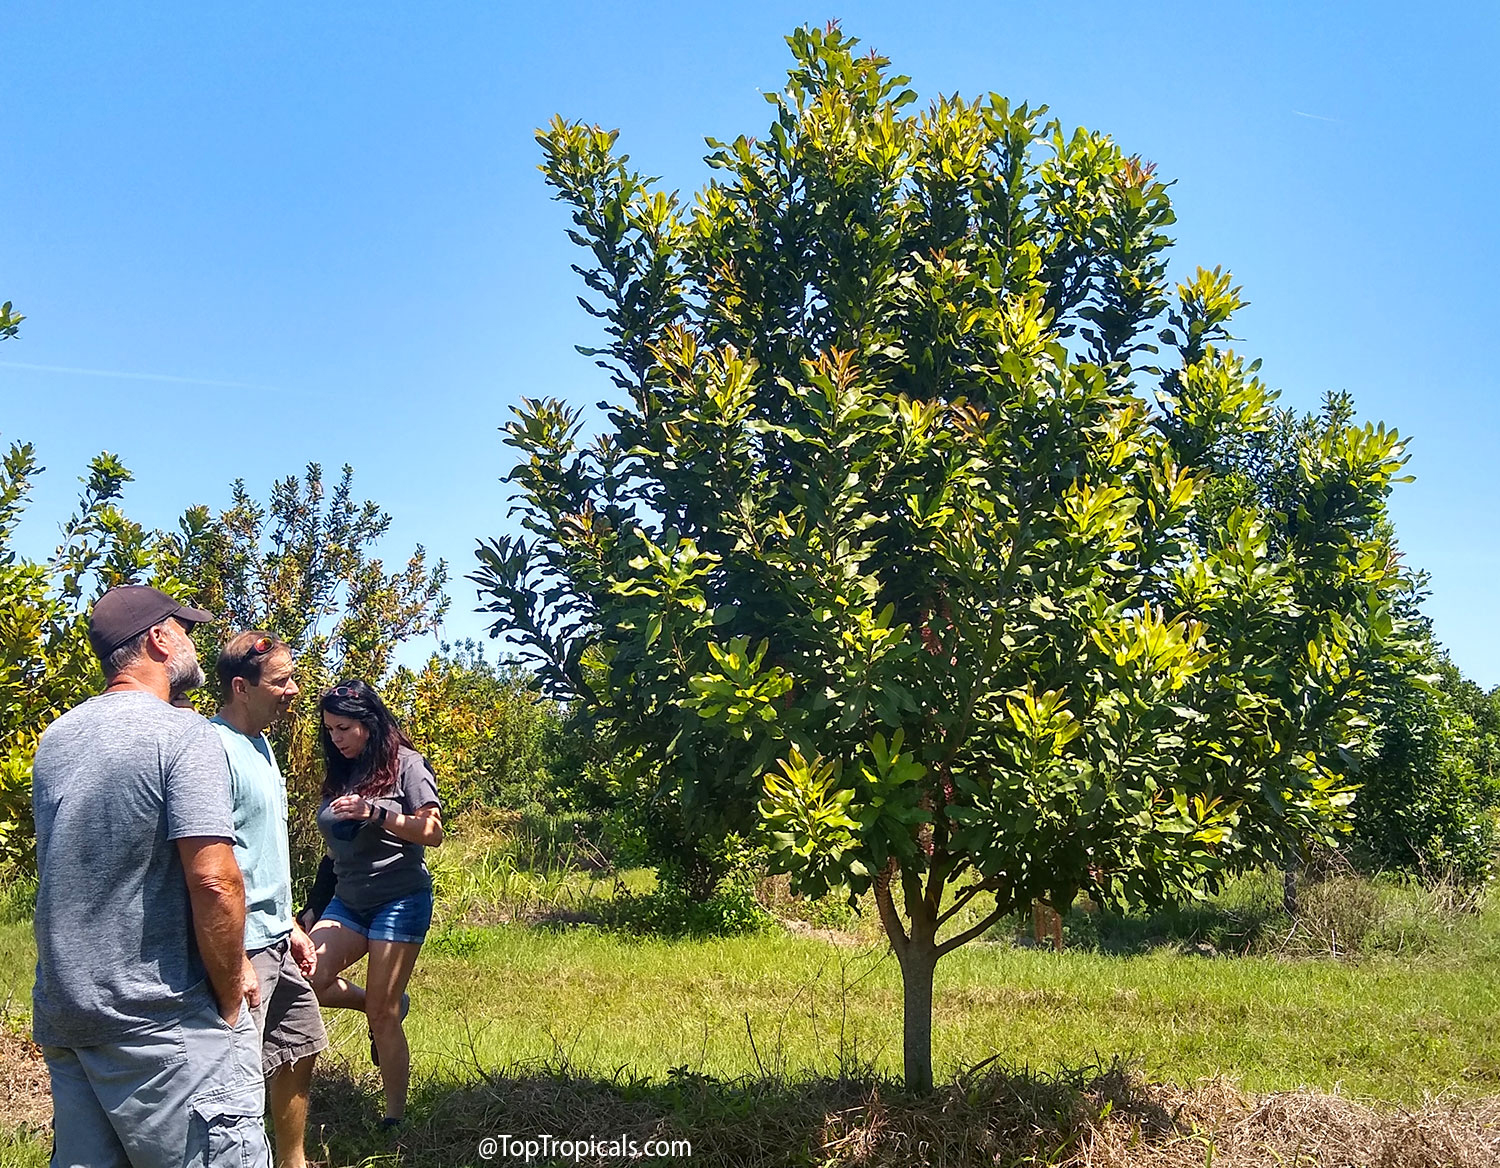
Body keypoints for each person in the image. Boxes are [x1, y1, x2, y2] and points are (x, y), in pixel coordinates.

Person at [31, 585, 269, 1168]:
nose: (191, 640)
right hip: (161, 1025)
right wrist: (228, 996)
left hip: (71, 1019)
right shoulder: (182, 732)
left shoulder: (56, 739)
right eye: (183, 628)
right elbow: (214, 880)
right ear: (160, 640)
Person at [210, 632, 328, 1168]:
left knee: (300, 1046)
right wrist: (234, 957)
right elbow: (212, 862)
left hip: (277, 935)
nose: (295, 691)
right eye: (282, 682)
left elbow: (260, 848)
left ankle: (292, 1162)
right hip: (244, 944)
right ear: (241, 686)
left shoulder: (262, 743)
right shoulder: (214, 750)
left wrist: (291, 924)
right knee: (235, 1075)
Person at [305, 679, 443, 1130]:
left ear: (369, 723)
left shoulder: (408, 765)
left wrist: (377, 814)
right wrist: (312, 907)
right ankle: (383, 1003)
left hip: (399, 899)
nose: (336, 738)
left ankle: (394, 1119)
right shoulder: (342, 771)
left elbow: (432, 833)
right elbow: (333, 853)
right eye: (329, 730)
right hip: (348, 899)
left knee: (381, 1016)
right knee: (309, 978)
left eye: (343, 728)